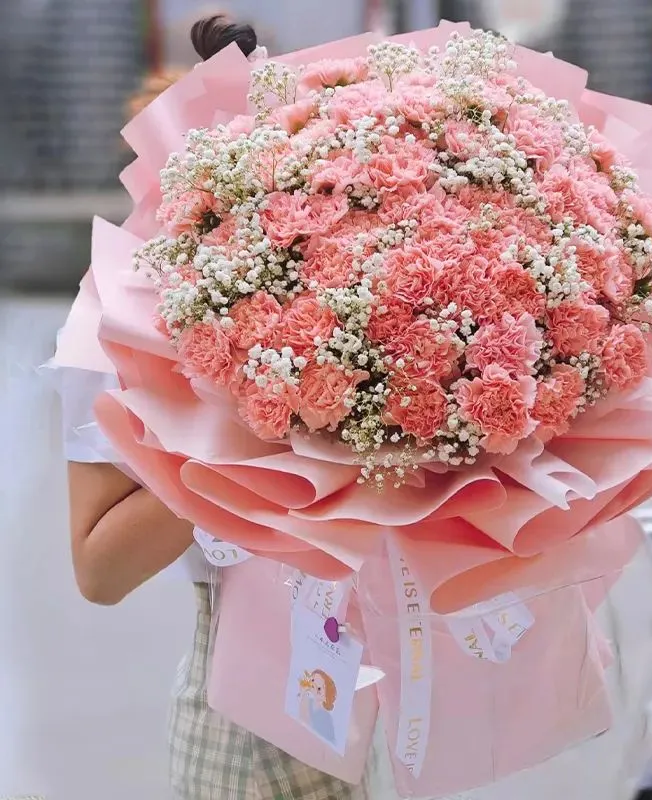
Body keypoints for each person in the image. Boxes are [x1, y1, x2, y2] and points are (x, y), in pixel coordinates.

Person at [60, 16, 372, 800]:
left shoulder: (356, 298)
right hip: (248, 707)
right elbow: (99, 570)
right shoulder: (120, 316)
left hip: (383, 679)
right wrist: (254, 427)